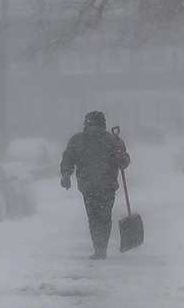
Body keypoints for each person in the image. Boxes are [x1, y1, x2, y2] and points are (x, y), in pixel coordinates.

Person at [60, 110, 130, 260]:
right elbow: (123, 163)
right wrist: (121, 156)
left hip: (89, 187)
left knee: (94, 218)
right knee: (104, 218)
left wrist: (66, 175)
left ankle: (99, 248)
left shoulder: (78, 140)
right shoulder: (112, 140)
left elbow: (68, 159)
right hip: (105, 187)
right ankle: (101, 247)